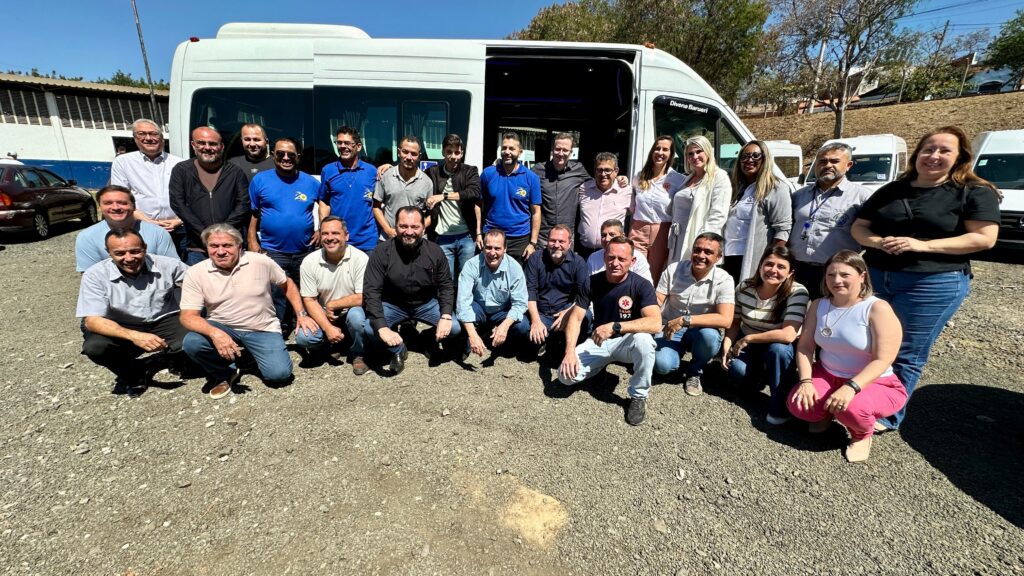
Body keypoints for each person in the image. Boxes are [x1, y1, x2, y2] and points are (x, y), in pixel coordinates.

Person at [850, 125, 1000, 432]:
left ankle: (886, 414)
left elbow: (985, 238)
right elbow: (859, 228)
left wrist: (924, 245)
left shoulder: (972, 192)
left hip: (931, 282)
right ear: (917, 154)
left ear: (960, 157)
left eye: (944, 150)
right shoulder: (893, 190)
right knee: (869, 343)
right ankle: (859, 399)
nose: (933, 156)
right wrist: (877, 242)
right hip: (878, 275)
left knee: (906, 350)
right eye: (928, 149)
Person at [788, 250, 907, 463]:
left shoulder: (876, 308)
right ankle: (826, 412)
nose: (837, 280)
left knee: (852, 409)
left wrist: (850, 387)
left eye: (845, 275)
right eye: (831, 275)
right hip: (827, 373)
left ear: (862, 276)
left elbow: (883, 359)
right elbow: (805, 347)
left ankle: (862, 435)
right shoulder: (819, 305)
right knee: (799, 405)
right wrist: (806, 381)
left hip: (873, 382)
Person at [180, 224, 316, 399]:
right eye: (214, 246)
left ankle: (249, 356)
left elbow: (287, 284)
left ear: (239, 246)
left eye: (227, 245)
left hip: (261, 327)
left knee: (279, 375)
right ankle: (224, 373)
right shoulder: (195, 273)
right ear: (206, 248)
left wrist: (301, 315)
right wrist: (215, 333)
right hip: (222, 326)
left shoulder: (260, 261)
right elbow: (188, 317)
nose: (220, 251)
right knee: (192, 342)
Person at [558, 236, 662, 426]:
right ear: (604, 257)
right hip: (599, 340)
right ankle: (599, 368)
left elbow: (655, 322)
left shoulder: (641, 285)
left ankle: (638, 396)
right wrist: (569, 351)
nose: (615, 263)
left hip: (627, 341)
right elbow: (576, 318)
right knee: (565, 377)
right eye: (611, 257)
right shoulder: (591, 282)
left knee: (645, 341)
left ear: (632, 261)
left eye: (622, 259)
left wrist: (616, 326)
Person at [77, 228, 189, 398]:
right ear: (109, 253)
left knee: (196, 335)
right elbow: (92, 321)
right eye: (120, 253)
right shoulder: (95, 275)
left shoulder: (168, 264)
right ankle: (134, 374)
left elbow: (201, 282)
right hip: (122, 324)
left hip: (163, 318)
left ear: (145, 247)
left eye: (135, 251)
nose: (129, 258)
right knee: (95, 347)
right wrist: (134, 336)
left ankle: (175, 357)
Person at [362, 207, 462, 375]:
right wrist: (382, 327)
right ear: (395, 226)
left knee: (455, 328)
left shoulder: (435, 251)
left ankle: (426, 338)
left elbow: (445, 285)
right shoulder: (381, 252)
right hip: (393, 304)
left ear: (423, 228)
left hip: (426, 304)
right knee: (370, 328)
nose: (409, 232)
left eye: (415, 227)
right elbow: (371, 291)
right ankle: (398, 349)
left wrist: (445, 315)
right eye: (403, 226)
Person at [722, 246, 809, 425]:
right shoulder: (745, 287)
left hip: (777, 344)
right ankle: (762, 378)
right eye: (769, 264)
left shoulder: (798, 292)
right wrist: (726, 346)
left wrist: (749, 338)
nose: (773, 270)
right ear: (760, 265)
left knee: (779, 351)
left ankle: (779, 407)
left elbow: (788, 335)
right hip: (749, 346)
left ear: (790, 272)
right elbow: (735, 322)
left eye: (780, 267)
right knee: (736, 369)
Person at [247, 138, 321, 336]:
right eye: (280, 154)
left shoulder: (311, 183)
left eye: (291, 154)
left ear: (299, 157)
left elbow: (325, 207)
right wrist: (253, 242)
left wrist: (321, 228)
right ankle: (278, 329)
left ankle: (306, 327)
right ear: (273, 155)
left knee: (306, 291)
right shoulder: (260, 181)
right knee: (277, 293)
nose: (285, 158)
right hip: (273, 249)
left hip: (304, 249)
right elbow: (254, 214)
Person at [654, 232, 735, 396]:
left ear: (718, 257)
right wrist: (651, 325)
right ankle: (673, 355)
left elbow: (726, 319)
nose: (701, 256)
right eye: (697, 250)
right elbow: (657, 301)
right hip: (670, 327)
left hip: (700, 331)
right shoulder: (674, 269)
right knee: (662, 366)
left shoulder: (724, 280)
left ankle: (695, 371)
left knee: (710, 337)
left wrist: (686, 320)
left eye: (708, 252)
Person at [790, 142, 874, 299]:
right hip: (798, 268)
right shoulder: (799, 196)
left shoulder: (862, 197)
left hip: (835, 273)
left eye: (834, 161)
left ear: (848, 165)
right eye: (822, 161)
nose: (827, 165)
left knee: (830, 317)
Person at [295, 216, 370, 375]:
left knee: (357, 317)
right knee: (304, 337)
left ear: (346, 236)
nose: (330, 238)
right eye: (325, 234)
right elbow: (309, 299)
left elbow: (363, 296)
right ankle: (330, 345)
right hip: (324, 315)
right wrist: (327, 327)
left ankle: (358, 353)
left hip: (351, 311)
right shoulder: (309, 262)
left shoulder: (360, 258)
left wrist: (334, 304)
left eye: (335, 233)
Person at [168, 126, 250, 265]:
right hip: (197, 247)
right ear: (193, 144)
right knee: (200, 285)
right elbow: (178, 203)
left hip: (230, 245)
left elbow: (243, 203)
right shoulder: (182, 171)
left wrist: (222, 233)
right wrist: (205, 233)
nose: (207, 147)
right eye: (201, 143)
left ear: (221, 146)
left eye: (213, 144)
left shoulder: (235, 172)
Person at [108, 118, 186, 258]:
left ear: (162, 138)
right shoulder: (123, 162)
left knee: (180, 268)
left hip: (178, 228)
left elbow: (190, 197)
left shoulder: (179, 163)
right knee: (150, 269)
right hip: (143, 227)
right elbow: (121, 199)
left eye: (154, 134)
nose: (148, 138)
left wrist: (179, 220)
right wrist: (150, 223)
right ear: (135, 138)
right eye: (142, 134)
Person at [723, 141, 793, 283]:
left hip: (753, 258)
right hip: (728, 255)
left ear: (765, 159)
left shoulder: (776, 188)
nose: (749, 160)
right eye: (745, 156)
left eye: (756, 156)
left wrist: (770, 262)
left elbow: (783, 229)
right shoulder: (735, 187)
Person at [457, 229, 530, 360]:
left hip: (502, 311)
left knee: (523, 326)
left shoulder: (515, 268)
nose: (492, 253)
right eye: (488, 247)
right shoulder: (471, 265)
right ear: (483, 247)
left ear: (505, 249)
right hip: (478, 308)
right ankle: (473, 338)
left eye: (497, 248)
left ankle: (502, 343)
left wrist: (504, 325)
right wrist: (472, 335)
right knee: (460, 319)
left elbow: (520, 303)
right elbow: (463, 303)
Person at [75, 185, 176, 272]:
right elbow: (90, 277)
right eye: (108, 203)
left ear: (134, 206)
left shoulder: (158, 233)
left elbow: (172, 267)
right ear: (100, 207)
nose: (115, 207)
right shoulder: (87, 237)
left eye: (122, 203)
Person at [524, 224, 592, 353]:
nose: (556, 245)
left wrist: (568, 312)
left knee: (586, 316)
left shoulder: (578, 263)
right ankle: (549, 341)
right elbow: (530, 292)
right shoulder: (535, 258)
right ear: (547, 241)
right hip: (541, 312)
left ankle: (558, 343)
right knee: (521, 329)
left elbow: (584, 296)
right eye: (552, 240)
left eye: (561, 241)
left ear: (569, 243)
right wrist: (536, 321)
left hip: (564, 313)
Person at [629, 136, 685, 286]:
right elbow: (630, 198)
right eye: (657, 148)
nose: (660, 152)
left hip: (662, 231)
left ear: (671, 154)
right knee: (634, 269)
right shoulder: (639, 177)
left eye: (665, 149)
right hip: (638, 229)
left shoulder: (678, 180)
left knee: (655, 274)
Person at [666, 136, 731, 264]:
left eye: (698, 151)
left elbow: (718, 215)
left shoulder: (719, 177)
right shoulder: (688, 178)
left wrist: (703, 243)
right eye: (690, 153)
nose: (695, 156)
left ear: (707, 152)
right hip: (677, 239)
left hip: (697, 239)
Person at [425, 134, 481, 280]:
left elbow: (473, 192)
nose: (453, 156)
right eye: (449, 152)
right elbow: (414, 174)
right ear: (443, 152)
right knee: (445, 279)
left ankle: (463, 304)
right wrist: (387, 166)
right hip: (443, 237)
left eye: (457, 152)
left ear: (462, 153)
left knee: (467, 278)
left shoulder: (470, 171)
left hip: (466, 236)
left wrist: (442, 196)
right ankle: (447, 304)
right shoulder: (433, 172)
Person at [481, 131, 542, 265]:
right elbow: (478, 205)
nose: (507, 152)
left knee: (515, 280)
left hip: (519, 239)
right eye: (504, 148)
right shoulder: (488, 174)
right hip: (492, 237)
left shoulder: (531, 178)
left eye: (511, 148)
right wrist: (478, 233)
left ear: (520, 152)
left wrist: (532, 243)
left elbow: (536, 212)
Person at [318, 126, 380, 253]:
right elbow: (324, 203)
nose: (342, 146)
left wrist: (388, 166)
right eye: (339, 142)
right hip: (338, 240)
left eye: (347, 143)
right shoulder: (328, 170)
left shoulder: (372, 171)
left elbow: (378, 203)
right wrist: (322, 229)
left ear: (358, 146)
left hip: (367, 241)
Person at [532, 132, 591, 247]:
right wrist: (500, 165)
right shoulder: (538, 170)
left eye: (565, 150)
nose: (561, 153)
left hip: (567, 236)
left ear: (571, 152)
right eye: (557, 149)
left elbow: (598, 184)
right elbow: (520, 179)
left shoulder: (578, 170)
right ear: (552, 150)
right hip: (543, 236)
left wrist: (618, 179)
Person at [373, 136, 433, 239]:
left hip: (416, 240)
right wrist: (388, 230)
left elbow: (432, 215)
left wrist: (419, 230)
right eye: (405, 152)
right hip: (389, 237)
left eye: (414, 154)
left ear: (419, 156)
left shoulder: (427, 182)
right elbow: (376, 207)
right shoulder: (386, 176)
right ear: (399, 152)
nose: (409, 157)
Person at [577, 152, 633, 259]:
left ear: (616, 171)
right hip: (584, 252)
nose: (603, 174)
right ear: (595, 171)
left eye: (608, 170)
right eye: (600, 170)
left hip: (613, 253)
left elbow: (635, 218)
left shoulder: (627, 191)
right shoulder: (584, 188)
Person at [586, 219, 653, 285]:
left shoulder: (638, 257)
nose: (606, 239)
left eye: (612, 234)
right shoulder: (593, 258)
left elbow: (647, 287)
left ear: (622, 236)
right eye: (603, 235)